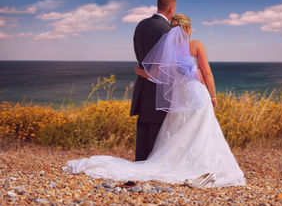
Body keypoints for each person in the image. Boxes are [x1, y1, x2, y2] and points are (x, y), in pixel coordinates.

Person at [62, 13, 246, 188]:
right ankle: (203, 166)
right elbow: (206, 73)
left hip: (178, 97)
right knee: (203, 130)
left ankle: (184, 164)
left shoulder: (168, 49)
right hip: (197, 94)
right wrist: (213, 96)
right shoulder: (196, 45)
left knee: (180, 129)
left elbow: (157, 75)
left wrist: (139, 71)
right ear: (188, 28)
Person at [130, 0, 176, 161]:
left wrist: (141, 71)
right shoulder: (168, 30)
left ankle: (140, 164)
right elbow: (167, 64)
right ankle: (153, 167)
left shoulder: (140, 25)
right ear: (171, 8)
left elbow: (139, 54)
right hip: (160, 88)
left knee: (143, 128)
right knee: (158, 130)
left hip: (142, 85)